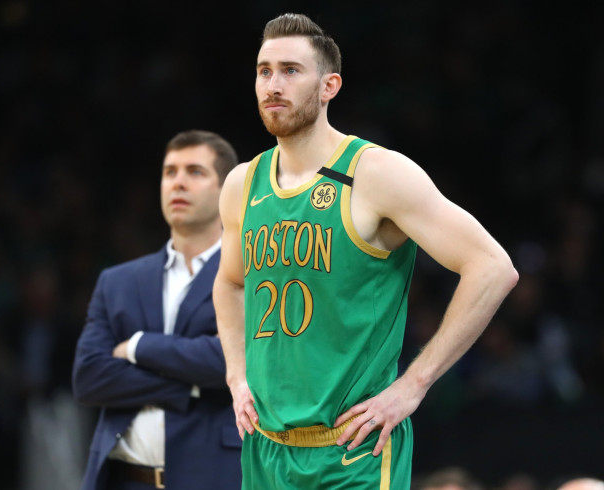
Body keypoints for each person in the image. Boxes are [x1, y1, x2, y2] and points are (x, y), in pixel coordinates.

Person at [212, 13, 519, 489]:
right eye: (264, 70)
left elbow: (494, 267)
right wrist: (236, 375)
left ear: (329, 85)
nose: (273, 84)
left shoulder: (375, 173)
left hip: (352, 453)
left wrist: (413, 386)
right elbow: (230, 281)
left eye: (291, 70)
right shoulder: (242, 184)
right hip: (266, 448)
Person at [73, 130, 241, 490]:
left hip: (214, 478)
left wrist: (137, 347)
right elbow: (88, 376)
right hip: (122, 479)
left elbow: (230, 359)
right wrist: (190, 387)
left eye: (195, 172)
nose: (178, 182)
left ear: (227, 189)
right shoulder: (116, 281)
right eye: (170, 172)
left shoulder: (252, 276)